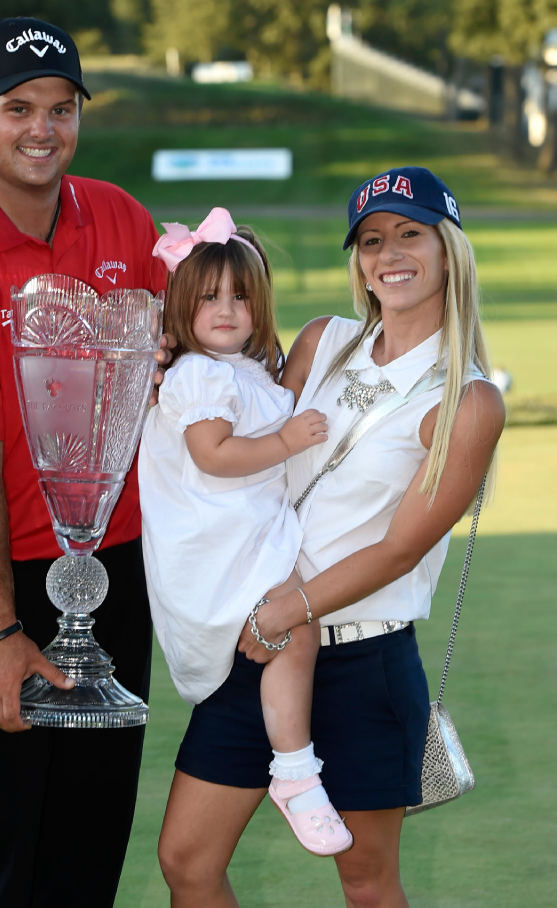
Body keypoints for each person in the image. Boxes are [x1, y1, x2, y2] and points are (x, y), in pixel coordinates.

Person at [155, 167, 505, 908]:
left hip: (359, 660)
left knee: (368, 884)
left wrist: (287, 612)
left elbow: (399, 549)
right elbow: (239, 419)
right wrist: (177, 368)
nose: (390, 254)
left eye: (411, 234)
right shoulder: (324, 339)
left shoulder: (468, 399)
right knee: (187, 861)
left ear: (449, 250)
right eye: (372, 240)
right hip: (256, 646)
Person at [0, 17, 169, 908]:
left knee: (90, 833)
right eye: (18, 108)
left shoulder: (120, 216)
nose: (42, 129)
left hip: (111, 569)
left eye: (60, 108)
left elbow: (195, 348)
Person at [138, 207, 353, 857]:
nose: (226, 309)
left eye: (240, 295)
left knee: (298, 628)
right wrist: (287, 438)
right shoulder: (197, 374)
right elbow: (215, 455)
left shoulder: (249, 371)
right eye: (208, 298)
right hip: (218, 547)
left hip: (248, 534)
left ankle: (293, 766)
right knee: (299, 627)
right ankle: (294, 771)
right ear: (181, 307)